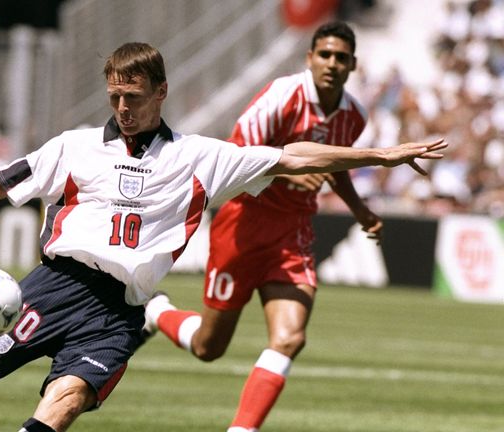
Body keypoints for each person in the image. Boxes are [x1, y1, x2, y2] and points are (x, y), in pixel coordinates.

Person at [0, 41, 445, 432]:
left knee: (60, 407)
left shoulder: (200, 158)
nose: (121, 107)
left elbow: (291, 157)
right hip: (54, 287)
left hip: (118, 316)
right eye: (114, 95)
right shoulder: (74, 146)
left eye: (133, 97)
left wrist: (382, 155)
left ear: (160, 92)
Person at [142, 22, 383, 432]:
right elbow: (237, 154)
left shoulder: (354, 117)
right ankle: (155, 310)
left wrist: (361, 212)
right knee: (208, 347)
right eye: (324, 54)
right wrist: (289, 174)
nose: (332, 63)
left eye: (341, 57)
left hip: (292, 233)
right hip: (243, 225)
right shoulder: (283, 96)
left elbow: (337, 167)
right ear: (310, 59)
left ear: (353, 65)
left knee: (290, 338)